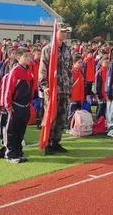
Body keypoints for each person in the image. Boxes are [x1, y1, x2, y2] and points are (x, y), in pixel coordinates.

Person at [39, 25, 73, 155]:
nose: (64, 34)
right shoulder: (48, 49)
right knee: (50, 117)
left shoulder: (66, 49)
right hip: (52, 89)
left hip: (64, 89)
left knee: (61, 117)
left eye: (65, 32)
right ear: (55, 32)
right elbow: (43, 69)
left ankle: (56, 142)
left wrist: (69, 85)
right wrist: (45, 86)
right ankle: (47, 143)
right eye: (61, 32)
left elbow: (69, 69)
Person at [3, 48, 33, 163]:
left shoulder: (29, 70)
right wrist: (8, 106)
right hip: (16, 106)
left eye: (28, 56)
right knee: (12, 130)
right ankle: (10, 154)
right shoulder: (15, 71)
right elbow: (8, 90)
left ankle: (18, 151)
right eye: (25, 57)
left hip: (25, 105)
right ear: (18, 58)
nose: (28, 59)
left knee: (21, 130)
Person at [69, 54, 85, 121]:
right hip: (72, 98)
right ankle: (69, 127)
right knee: (71, 115)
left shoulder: (80, 73)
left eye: (81, 62)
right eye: (79, 62)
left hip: (79, 98)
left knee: (78, 115)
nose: (81, 64)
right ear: (74, 63)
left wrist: (82, 98)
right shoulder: (70, 73)